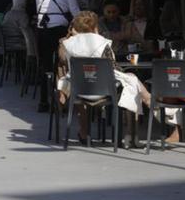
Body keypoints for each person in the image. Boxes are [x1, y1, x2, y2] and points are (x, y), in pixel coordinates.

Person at [56, 11, 151, 148]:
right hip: (103, 91)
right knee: (131, 81)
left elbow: (63, 62)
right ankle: (134, 128)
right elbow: (112, 68)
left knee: (131, 80)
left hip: (79, 90)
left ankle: (145, 102)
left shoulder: (67, 44)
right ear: (95, 27)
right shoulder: (102, 43)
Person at [35, 0, 81, 112]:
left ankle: (43, 101)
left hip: (42, 30)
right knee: (62, 65)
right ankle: (61, 99)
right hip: (58, 31)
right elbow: (74, 12)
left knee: (45, 65)